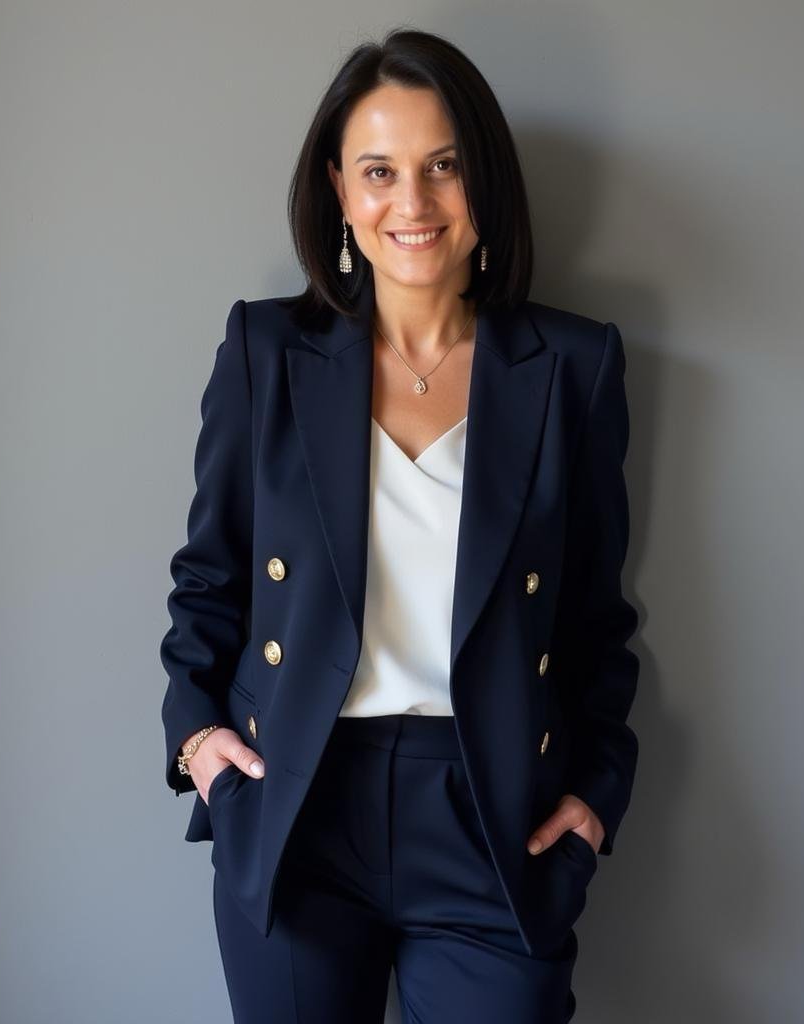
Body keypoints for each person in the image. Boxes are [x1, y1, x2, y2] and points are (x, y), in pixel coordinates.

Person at [160, 26, 640, 1024]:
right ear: (340, 190)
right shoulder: (265, 352)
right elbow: (210, 578)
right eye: (379, 171)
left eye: (443, 166)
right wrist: (196, 737)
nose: (412, 202)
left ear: (484, 184)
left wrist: (597, 791)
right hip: (296, 808)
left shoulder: (572, 368)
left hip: (492, 816)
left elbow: (595, 616)